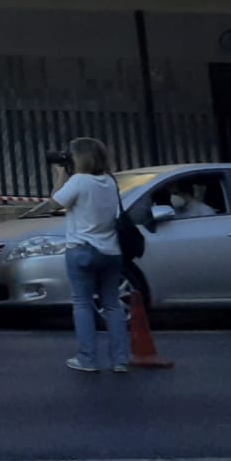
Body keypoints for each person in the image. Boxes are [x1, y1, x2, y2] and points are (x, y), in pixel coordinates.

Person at [54, 136, 132, 374]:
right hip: (111, 251)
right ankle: (120, 360)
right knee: (112, 305)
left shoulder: (78, 181)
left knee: (82, 303)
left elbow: (55, 203)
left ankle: (87, 358)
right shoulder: (110, 181)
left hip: (82, 249)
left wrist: (59, 175)